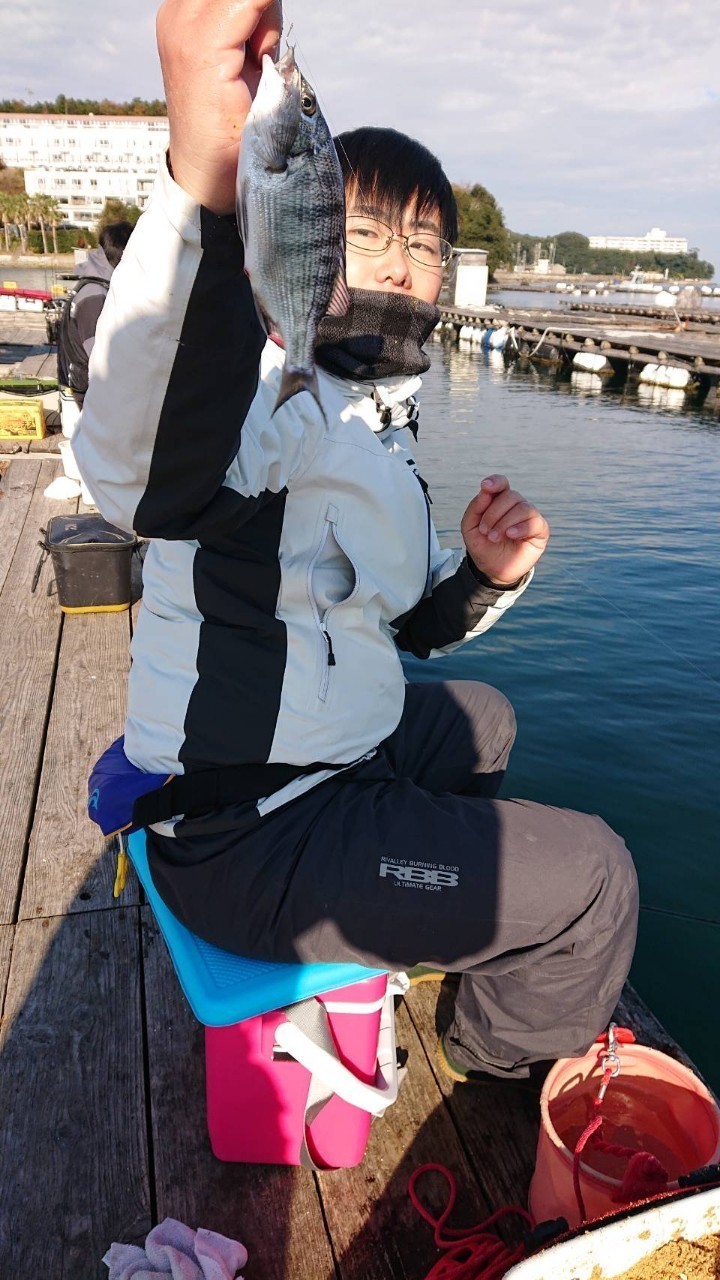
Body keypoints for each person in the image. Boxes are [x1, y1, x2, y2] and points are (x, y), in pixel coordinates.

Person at [74, 0, 638, 1085]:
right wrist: (204, 188)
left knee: (483, 717)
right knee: (597, 879)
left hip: (333, 763)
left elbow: (395, 624)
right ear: (307, 233)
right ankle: (486, 1064)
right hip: (246, 832)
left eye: (425, 243)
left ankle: (419, 907)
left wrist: (483, 577)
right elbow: (140, 478)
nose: (404, 264)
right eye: (368, 232)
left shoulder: (380, 419)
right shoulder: (258, 390)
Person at [57, 220, 133, 435]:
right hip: (86, 395)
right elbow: (99, 360)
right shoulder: (94, 296)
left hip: (87, 388)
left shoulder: (97, 284)